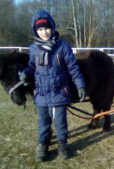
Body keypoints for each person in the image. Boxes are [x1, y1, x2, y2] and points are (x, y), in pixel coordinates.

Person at [19, 10, 86, 162]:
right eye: (40, 29)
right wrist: (25, 73)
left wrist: (80, 85)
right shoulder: (34, 48)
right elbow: (32, 66)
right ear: (36, 31)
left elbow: (73, 67)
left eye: (47, 28)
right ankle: (43, 145)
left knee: (60, 123)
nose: (44, 32)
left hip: (60, 92)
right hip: (41, 94)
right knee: (43, 123)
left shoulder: (62, 46)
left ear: (52, 27)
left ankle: (62, 144)